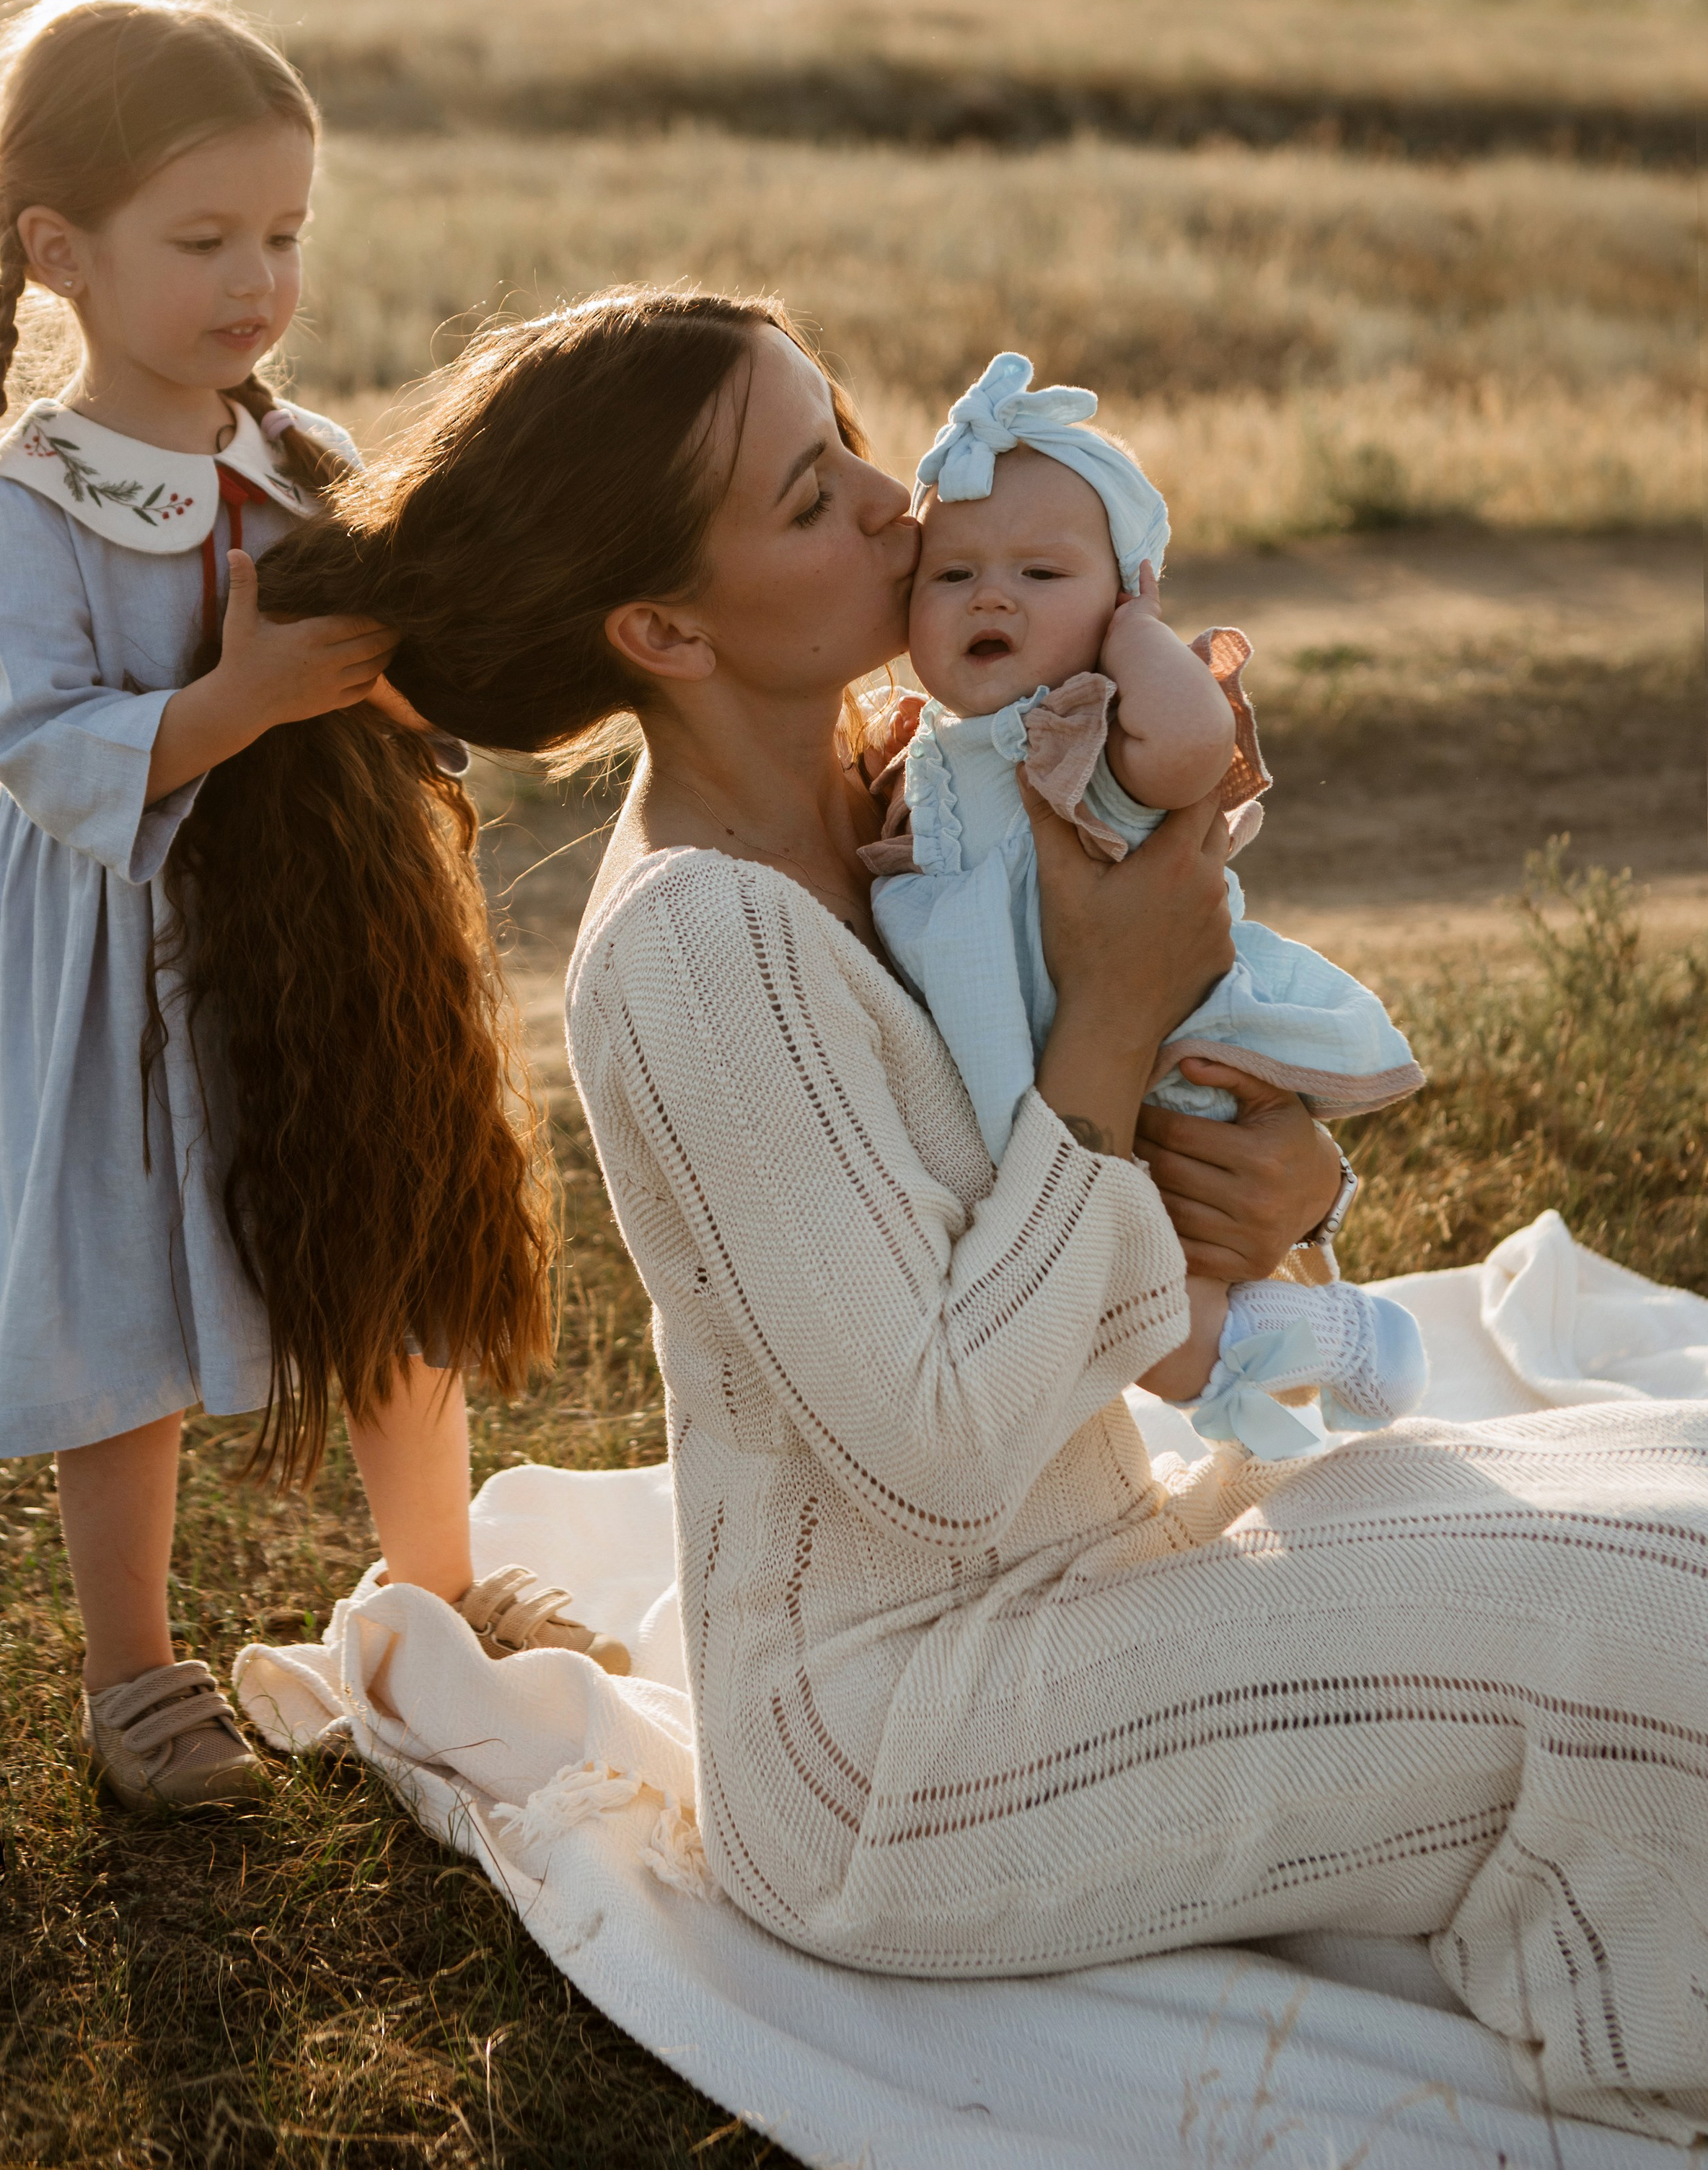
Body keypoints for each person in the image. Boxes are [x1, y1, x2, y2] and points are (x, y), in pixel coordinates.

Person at [232, 287, 1705, 2142]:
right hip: (904, 1757)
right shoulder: (702, 949)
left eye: (846, 434)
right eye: (804, 494)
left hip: (1086, 1564)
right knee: (1653, 1639)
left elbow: (1121, 1198)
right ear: (662, 628)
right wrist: (1103, 1018)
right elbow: (934, 1452)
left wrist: (1280, 1191)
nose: (887, 498)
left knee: (1666, 1492)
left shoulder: (911, 814)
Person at [0, 0, 622, 1816]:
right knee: (120, 1305)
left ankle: (437, 1589)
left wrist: (401, 671)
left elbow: (400, 661)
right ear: (56, 248)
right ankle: (134, 1673)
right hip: (132, 973)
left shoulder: (294, 462)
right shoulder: (36, 497)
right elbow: (46, 744)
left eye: (284, 234)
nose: (255, 279)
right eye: (204, 236)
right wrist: (229, 700)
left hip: (328, 947)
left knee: (387, 1246)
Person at [862, 350, 1428, 1460]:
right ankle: (1329, 1342)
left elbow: (1189, 750)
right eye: (953, 574)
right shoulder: (924, 750)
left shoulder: (1092, 719)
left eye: (1042, 575)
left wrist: (1136, 635)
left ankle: (1347, 1339)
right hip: (1046, 1083)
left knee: (1135, 1313)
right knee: (1138, 1326)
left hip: (1151, 1063)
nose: (991, 594)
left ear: (1125, 595)